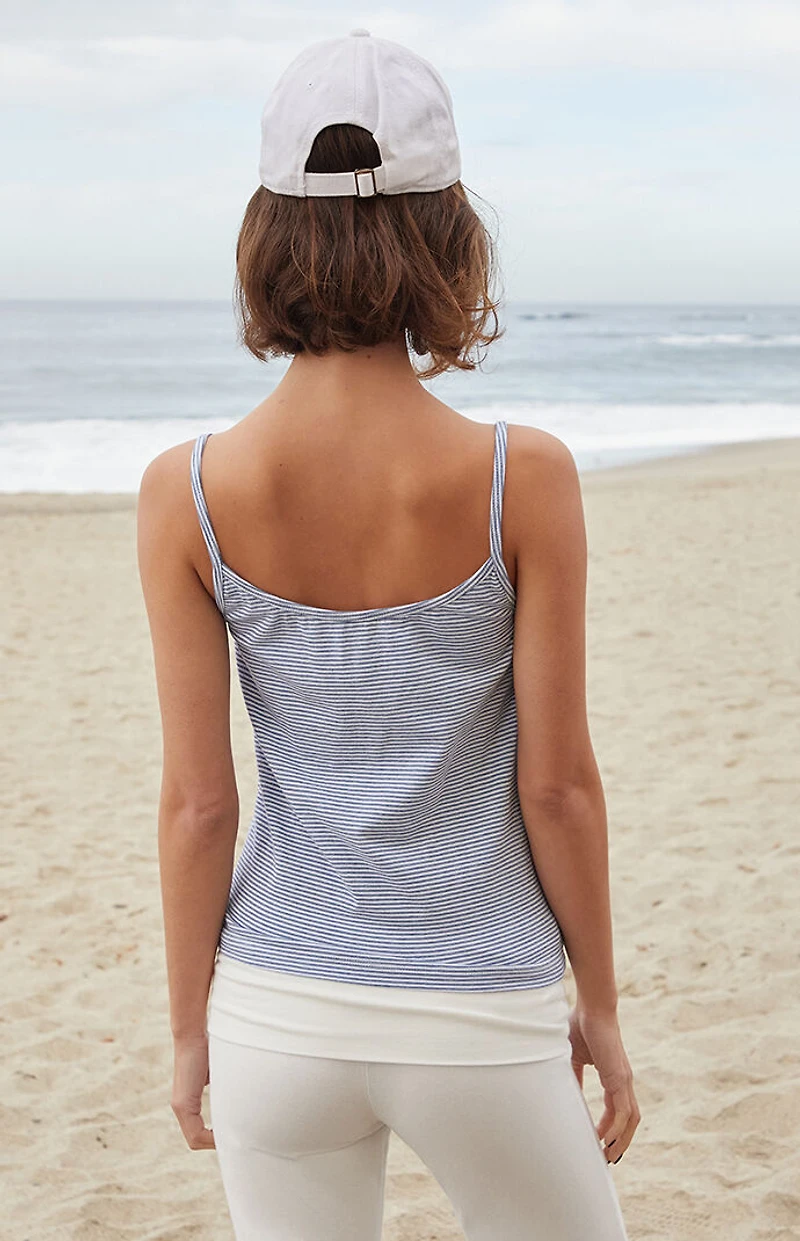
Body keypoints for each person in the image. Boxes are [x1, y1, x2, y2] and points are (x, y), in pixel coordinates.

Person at [137, 28, 639, 1241]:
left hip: (275, 1006)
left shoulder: (188, 490)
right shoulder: (523, 477)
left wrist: (193, 1025)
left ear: (267, 233)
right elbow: (558, 785)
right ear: (446, 233)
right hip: (475, 1004)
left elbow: (201, 805)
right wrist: (603, 1009)